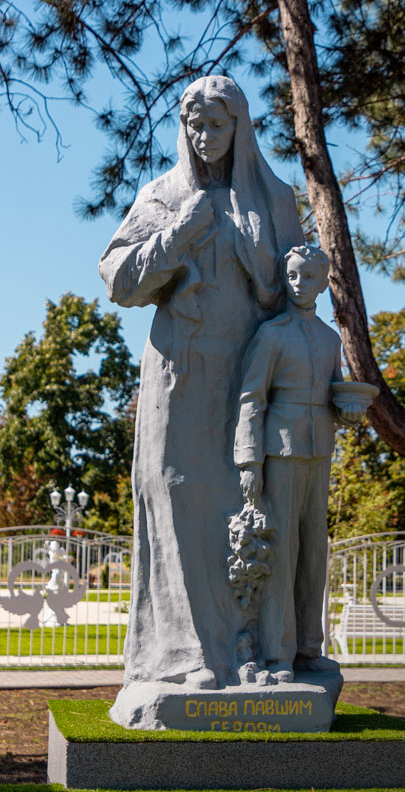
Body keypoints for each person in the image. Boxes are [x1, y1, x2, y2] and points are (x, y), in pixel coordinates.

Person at [99, 76, 305, 691]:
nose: (205, 136)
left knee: (242, 505)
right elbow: (118, 281)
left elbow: (298, 291)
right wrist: (178, 235)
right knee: (173, 491)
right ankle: (185, 653)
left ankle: (249, 648)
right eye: (196, 125)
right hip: (178, 372)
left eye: (217, 125)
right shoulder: (163, 195)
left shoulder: (274, 199)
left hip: (249, 373)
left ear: (240, 128)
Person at [234, 246, 364, 682]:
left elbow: (335, 391)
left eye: (308, 277)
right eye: (292, 275)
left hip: (319, 448)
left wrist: (347, 410)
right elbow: (251, 398)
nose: (298, 284)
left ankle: (310, 648)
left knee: (313, 553)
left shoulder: (329, 339)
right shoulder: (271, 334)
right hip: (280, 450)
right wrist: (249, 459)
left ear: (323, 282)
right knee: (283, 551)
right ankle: (277, 654)